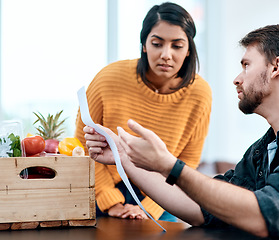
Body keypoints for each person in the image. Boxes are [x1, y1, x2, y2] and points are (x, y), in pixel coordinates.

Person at [83, 24, 279, 238]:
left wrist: (170, 165)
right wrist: (126, 158)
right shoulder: (262, 150)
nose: (237, 78)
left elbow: (270, 215)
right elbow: (201, 209)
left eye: (246, 65)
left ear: (276, 67)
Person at [74, 2, 212, 222]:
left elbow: (187, 160)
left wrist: (151, 208)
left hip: (162, 194)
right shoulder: (109, 78)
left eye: (177, 46)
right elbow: (82, 142)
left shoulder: (200, 93)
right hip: (103, 186)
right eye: (157, 43)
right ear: (145, 44)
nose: (166, 54)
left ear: (188, 50)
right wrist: (110, 201)